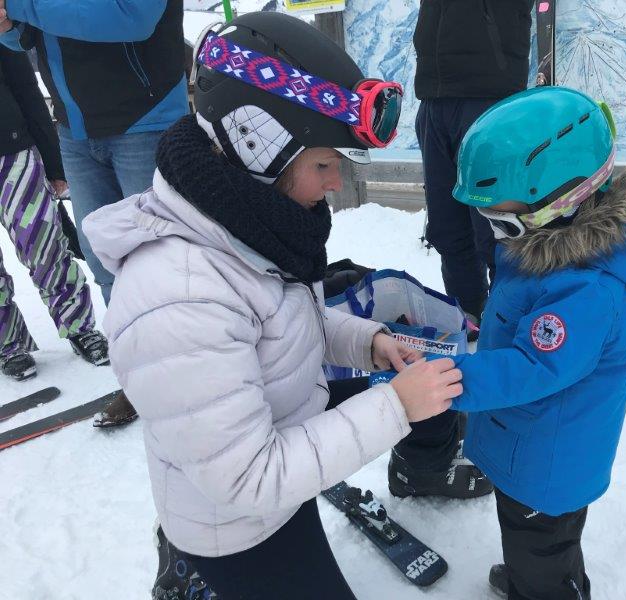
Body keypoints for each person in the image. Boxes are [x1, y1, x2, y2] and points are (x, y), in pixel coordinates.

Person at [82, 13, 465, 599]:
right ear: (256, 142)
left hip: (277, 441)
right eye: (323, 163)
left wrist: (368, 341)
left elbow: (283, 319)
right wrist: (392, 406)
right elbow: (248, 479)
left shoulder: (250, 224)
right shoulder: (181, 294)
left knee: (433, 396)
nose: (336, 182)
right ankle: (192, 571)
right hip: (237, 519)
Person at [448, 86, 626, 599]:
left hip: (548, 464)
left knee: (544, 550)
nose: (496, 233)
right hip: (528, 445)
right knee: (530, 543)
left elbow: (529, 368)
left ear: (560, 202)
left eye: (502, 219)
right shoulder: (548, 253)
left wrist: (441, 380)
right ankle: (534, 579)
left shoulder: (586, 292)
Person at [0, 0, 188, 424]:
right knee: (107, 265)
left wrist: (22, 7)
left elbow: (132, 17)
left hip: (146, 122)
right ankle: (140, 380)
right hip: (76, 131)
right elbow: (27, 39)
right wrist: (9, 25)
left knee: (165, 265)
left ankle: (186, 378)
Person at [413, 0, 534, 328]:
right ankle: (468, 314)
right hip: (433, 95)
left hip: (490, 95)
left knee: (497, 227)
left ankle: (508, 321)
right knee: (447, 228)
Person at [0, 45, 108, 380]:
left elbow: (25, 88)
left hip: (12, 151)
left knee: (45, 249)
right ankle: (8, 345)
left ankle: (79, 326)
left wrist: (53, 162)